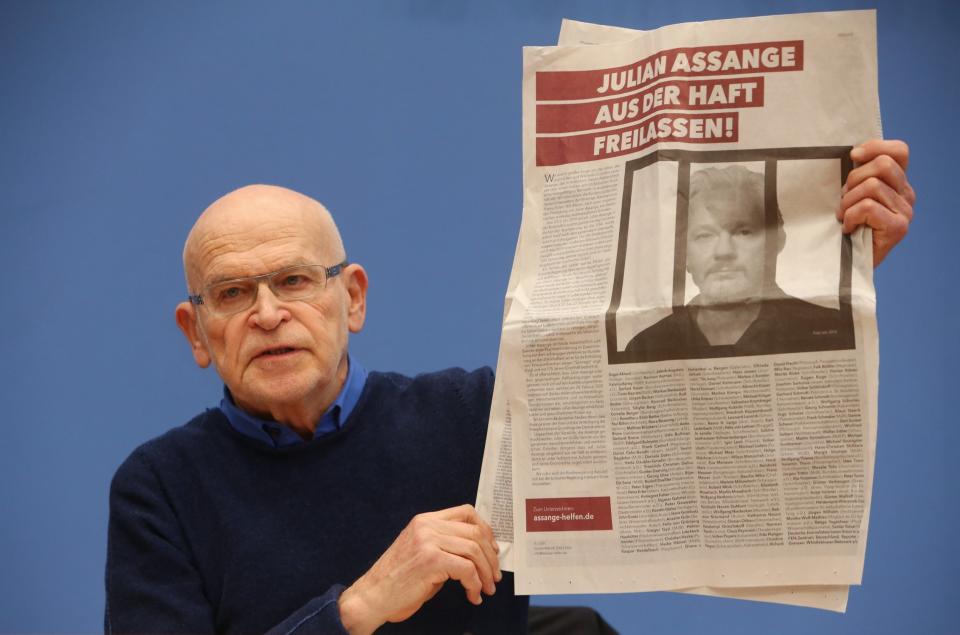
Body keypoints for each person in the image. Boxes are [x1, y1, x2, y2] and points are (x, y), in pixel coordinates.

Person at [104, 140, 914, 634]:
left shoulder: (471, 416)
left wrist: (829, 267)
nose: (269, 314)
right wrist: (360, 606)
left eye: (292, 279)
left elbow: (690, 429)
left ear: (351, 296)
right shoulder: (159, 489)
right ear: (197, 331)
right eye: (233, 293)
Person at [625, 162, 860, 361]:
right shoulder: (644, 346)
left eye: (743, 232)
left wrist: (862, 250)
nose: (724, 251)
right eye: (705, 235)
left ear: (777, 241)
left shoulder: (829, 330)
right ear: (685, 254)